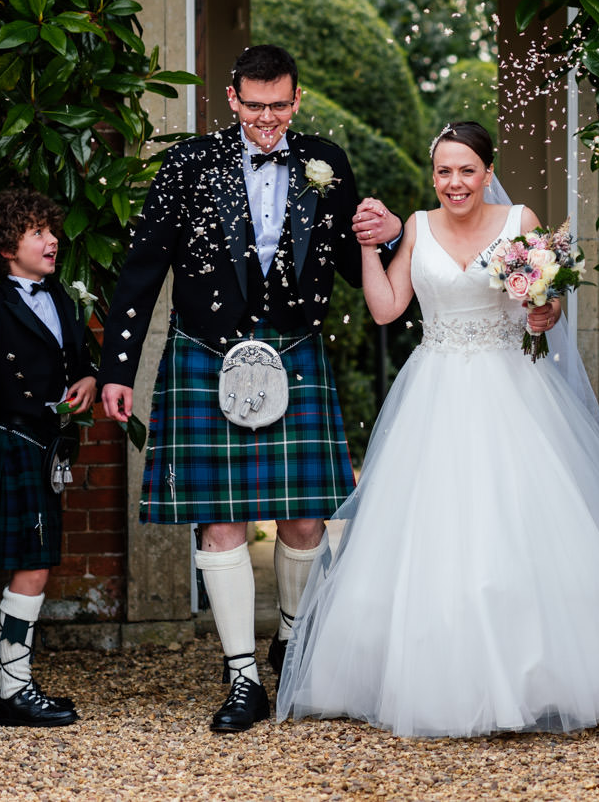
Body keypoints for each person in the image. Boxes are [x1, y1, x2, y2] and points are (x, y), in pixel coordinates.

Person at [276, 122, 599, 735]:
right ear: (432, 175)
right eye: (443, 172)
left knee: (524, 522)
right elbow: (386, 308)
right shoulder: (416, 226)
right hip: (434, 391)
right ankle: (426, 678)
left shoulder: (520, 220)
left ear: (487, 173)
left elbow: (547, 304)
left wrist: (545, 310)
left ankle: (541, 677)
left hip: (512, 387)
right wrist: (363, 248)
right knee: (430, 533)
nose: (454, 183)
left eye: (466, 171)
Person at [98, 44, 400, 733]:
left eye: (280, 106)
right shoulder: (187, 164)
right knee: (220, 519)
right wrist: (117, 368)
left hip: (295, 349)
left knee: (303, 518)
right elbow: (143, 268)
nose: (267, 119)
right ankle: (241, 679)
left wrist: (389, 239)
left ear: (297, 101)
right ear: (231, 99)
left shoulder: (327, 162)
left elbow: (362, 264)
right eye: (254, 106)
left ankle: (293, 650)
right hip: (207, 351)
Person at [0, 190, 96, 728]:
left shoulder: (62, 298)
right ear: (7, 248)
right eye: (37, 232)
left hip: (46, 444)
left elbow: (80, 363)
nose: (52, 239)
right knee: (33, 565)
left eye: (50, 230)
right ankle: (14, 691)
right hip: (11, 442)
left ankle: (2, 689)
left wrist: (88, 378)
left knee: (36, 562)